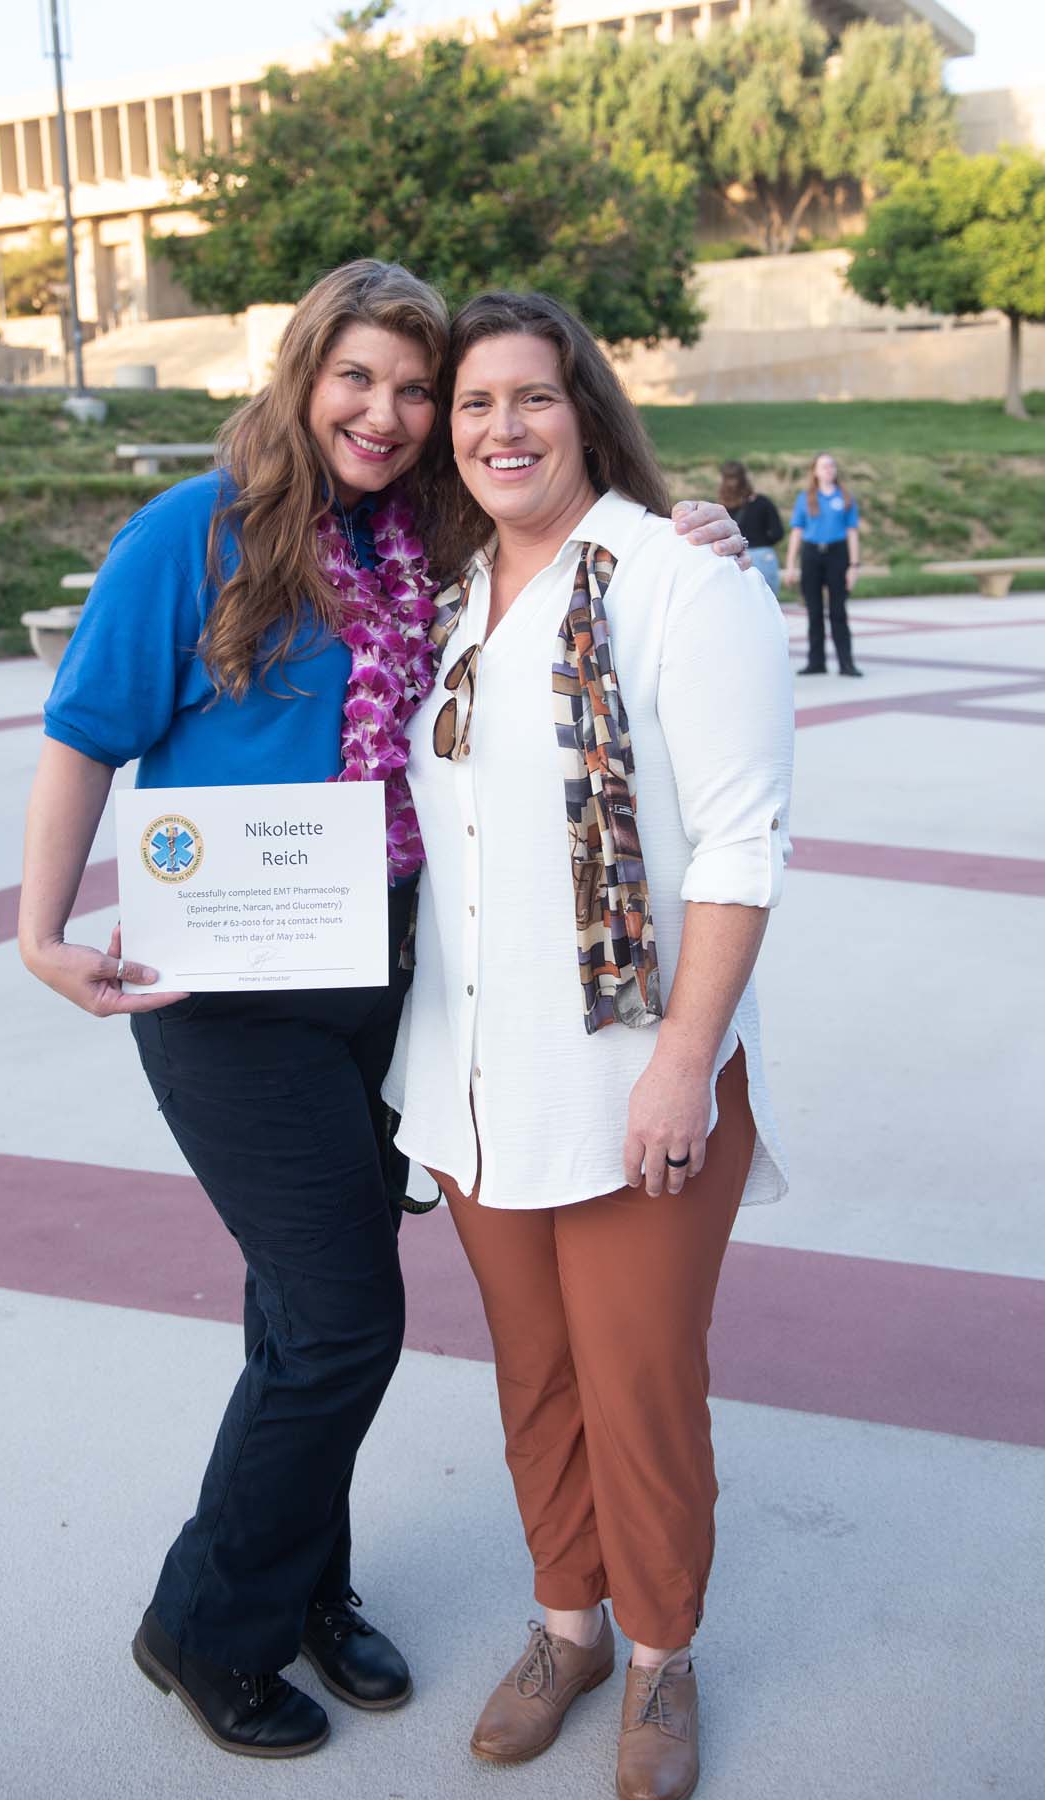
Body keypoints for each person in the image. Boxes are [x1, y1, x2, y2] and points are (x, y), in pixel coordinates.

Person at [17, 259, 752, 1765]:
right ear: (300, 376)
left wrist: (694, 534)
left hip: (385, 978)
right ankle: (208, 1621)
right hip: (230, 992)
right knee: (346, 1321)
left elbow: (572, 549)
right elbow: (84, 735)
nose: (394, 412)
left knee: (300, 1310)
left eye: (422, 391)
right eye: (365, 378)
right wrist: (36, 930)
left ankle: (307, 1588)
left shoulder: (423, 548)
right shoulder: (192, 536)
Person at [386, 291, 793, 1800]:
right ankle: (565, 1625)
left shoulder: (681, 584)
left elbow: (741, 844)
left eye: (531, 399)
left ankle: (662, 1656)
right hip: (480, 1083)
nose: (502, 427)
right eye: (475, 403)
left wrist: (683, 1063)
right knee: (536, 1374)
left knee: (638, 1379)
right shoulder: (445, 609)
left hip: (638, 1076)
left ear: (587, 411)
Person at [784, 451, 862, 676]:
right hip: (812, 555)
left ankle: (846, 663)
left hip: (837, 555)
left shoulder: (845, 497)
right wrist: (791, 564)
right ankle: (816, 661)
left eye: (832, 466)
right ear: (815, 471)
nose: (829, 469)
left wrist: (854, 566)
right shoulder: (805, 498)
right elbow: (796, 533)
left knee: (838, 611)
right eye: (824, 466)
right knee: (814, 611)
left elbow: (852, 532)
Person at [718, 459, 783, 598]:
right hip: (762, 554)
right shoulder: (762, 502)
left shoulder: (719, 508)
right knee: (769, 606)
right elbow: (778, 533)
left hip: (734, 558)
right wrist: (762, 541)